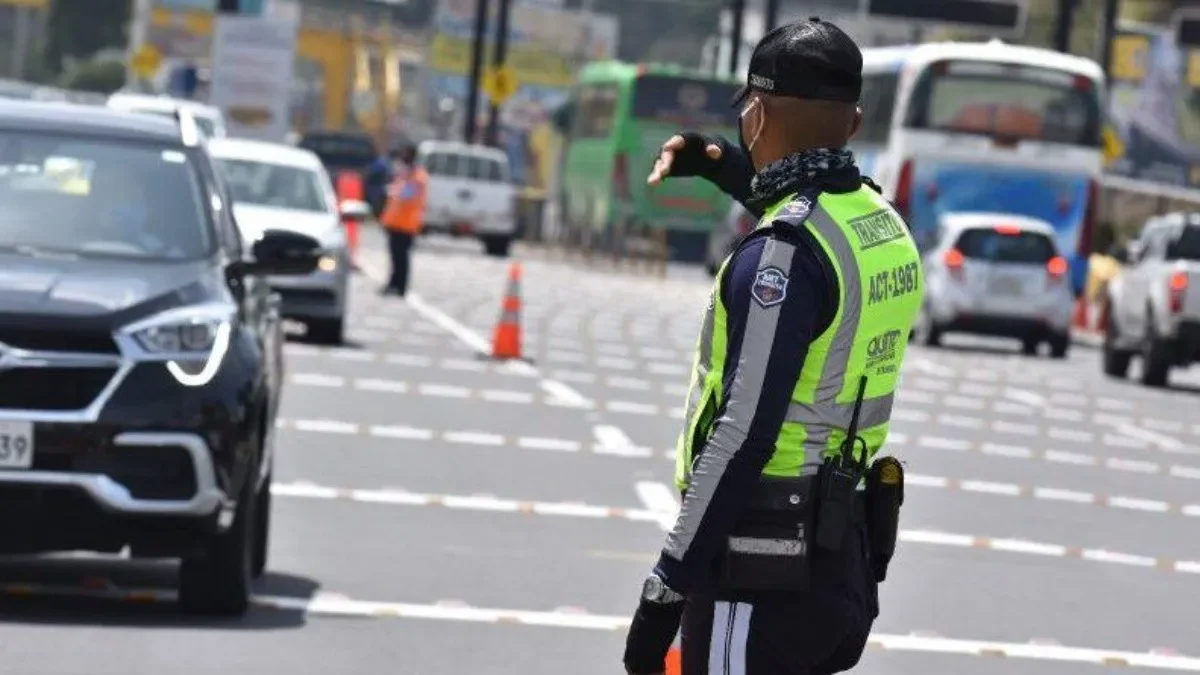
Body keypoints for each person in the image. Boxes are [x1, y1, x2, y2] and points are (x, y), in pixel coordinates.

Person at [623, 18, 920, 675]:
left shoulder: (781, 258)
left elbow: (743, 433)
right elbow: (808, 197)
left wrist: (666, 585)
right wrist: (712, 161)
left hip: (761, 564)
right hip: (840, 562)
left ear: (755, 117)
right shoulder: (882, 225)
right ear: (852, 122)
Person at [378, 143, 428, 296]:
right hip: (395, 223)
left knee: (401, 258)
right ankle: (393, 283)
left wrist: (395, 190)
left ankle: (400, 286)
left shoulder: (417, 176)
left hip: (406, 224)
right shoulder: (404, 174)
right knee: (395, 257)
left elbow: (407, 196)